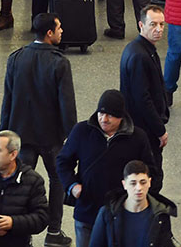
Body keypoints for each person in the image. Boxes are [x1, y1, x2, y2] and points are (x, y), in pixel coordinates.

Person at [0, 13, 77, 247]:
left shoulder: (16, 58)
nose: (62, 31)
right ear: (49, 33)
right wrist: (72, 139)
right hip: (51, 136)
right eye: (59, 27)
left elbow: (8, 98)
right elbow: (67, 104)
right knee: (57, 179)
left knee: (20, 183)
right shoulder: (59, 62)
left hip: (21, 134)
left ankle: (22, 234)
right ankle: (54, 232)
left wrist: (4, 132)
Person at [57, 90, 156, 247]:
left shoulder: (137, 138)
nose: (104, 119)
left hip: (121, 214)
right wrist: (72, 185)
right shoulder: (81, 131)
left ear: (121, 117)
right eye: (101, 113)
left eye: (110, 115)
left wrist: (141, 200)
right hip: (87, 213)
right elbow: (62, 162)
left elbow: (151, 171)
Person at [120, 6, 171, 192]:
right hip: (145, 129)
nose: (158, 29)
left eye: (161, 24)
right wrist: (159, 129)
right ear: (141, 25)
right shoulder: (140, 56)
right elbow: (143, 98)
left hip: (142, 126)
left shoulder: (141, 49)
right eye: (153, 24)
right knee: (153, 176)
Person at [90, 161, 177, 246]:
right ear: (124, 184)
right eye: (133, 183)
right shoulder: (107, 213)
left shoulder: (160, 215)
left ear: (149, 182)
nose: (139, 188)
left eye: (143, 182)